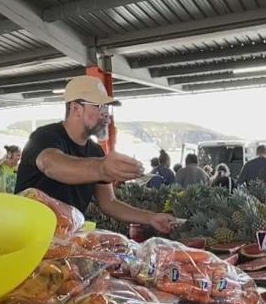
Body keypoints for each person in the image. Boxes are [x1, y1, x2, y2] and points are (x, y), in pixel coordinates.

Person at [14, 75, 175, 233]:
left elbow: (109, 203)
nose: (106, 114)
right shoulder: (45, 136)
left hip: (65, 239)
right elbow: (50, 164)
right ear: (76, 108)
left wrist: (151, 218)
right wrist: (101, 168)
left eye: (107, 107)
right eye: (99, 106)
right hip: (28, 237)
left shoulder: (96, 152)